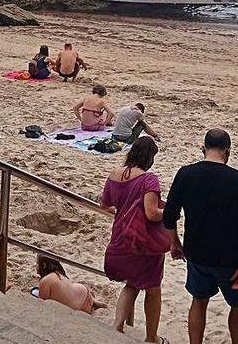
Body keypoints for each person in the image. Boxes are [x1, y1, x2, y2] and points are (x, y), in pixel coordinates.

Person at [164, 129, 238, 344]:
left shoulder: (185, 174)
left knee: (199, 301)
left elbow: (169, 216)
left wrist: (175, 243)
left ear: (203, 149)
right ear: (228, 152)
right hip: (230, 259)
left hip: (196, 254)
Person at [101, 136, 167, 342]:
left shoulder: (114, 174)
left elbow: (105, 204)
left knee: (132, 283)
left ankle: (117, 326)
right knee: (153, 289)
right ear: (149, 158)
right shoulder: (149, 179)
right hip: (143, 242)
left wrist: (125, 212)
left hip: (121, 236)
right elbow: (152, 213)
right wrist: (171, 210)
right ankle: (151, 337)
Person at [36, 256, 107, 313]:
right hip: (83, 295)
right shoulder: (60, 274)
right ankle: (93, 301)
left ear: (44, 265)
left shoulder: (45, 281)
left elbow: (42, 303)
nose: (36, 266)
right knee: (78, 287)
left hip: (76, 307)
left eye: (37, 263)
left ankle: (93, 302)